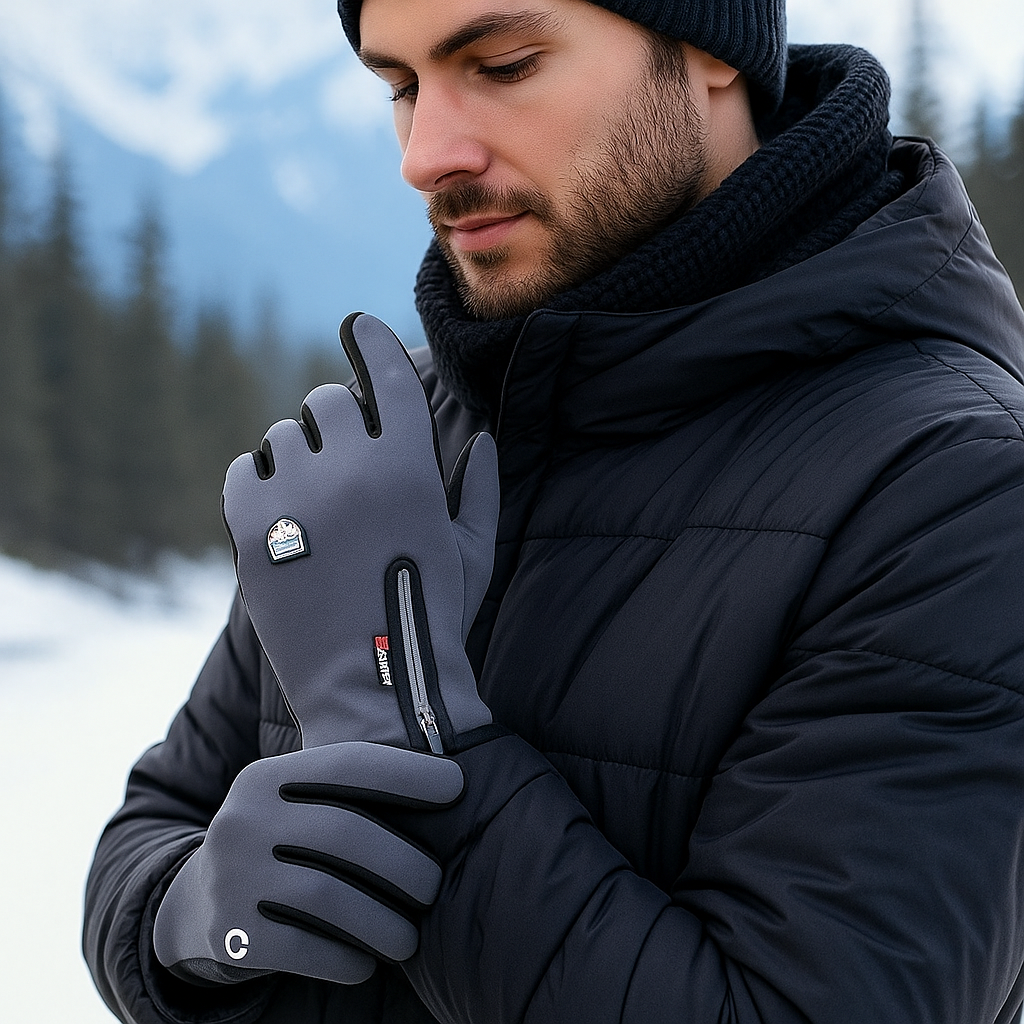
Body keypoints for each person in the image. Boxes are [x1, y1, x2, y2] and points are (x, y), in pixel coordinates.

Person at [84, 0, 1024, 1020]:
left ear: (710, 50)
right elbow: (160, 818)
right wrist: (181, 926)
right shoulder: (397, 439)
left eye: (504, 64)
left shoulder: (955, 491)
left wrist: (419, 742)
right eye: (401, 87)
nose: (425, 155)